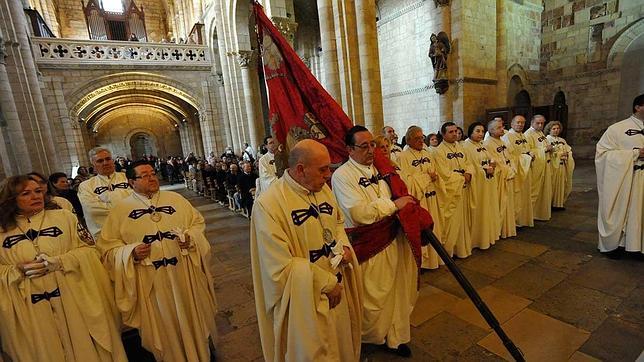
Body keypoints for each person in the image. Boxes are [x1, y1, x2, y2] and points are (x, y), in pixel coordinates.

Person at [250, 139, 362, 361]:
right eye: (322, 170)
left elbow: (337, 223)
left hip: (337, 287)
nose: (328, 175)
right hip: (305, 299)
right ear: (301, 169)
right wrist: (326, 284)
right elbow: (278, 266)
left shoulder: (322, 190)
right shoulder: (268, 204)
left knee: (340, 346)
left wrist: (343, 248)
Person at [98, 160, 218, 361]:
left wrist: (190, 238)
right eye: (144, 175)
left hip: (183, 274)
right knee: (164, 327)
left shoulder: (176, 199)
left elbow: (197, 224)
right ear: (131, 182)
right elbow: (107, 249)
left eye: (152, 173)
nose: (151, 177)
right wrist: (130, 253)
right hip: (152, 281)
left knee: (192, 320)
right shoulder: (120, 210)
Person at [0, 175, 127, 361]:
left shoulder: (64, 217)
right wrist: (16, 270)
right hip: (30, 309)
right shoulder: (2, 231)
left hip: (72, 299)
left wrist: (60, 262)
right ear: (11, 199)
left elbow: (91, 251)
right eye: (26, 193)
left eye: (38, 191)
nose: (36, 196)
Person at [332, 126, 417, 357]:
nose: (371, 150)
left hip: (392, 238)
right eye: (364, 146)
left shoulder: (381, 168)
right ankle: (366, 340)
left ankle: (395, 337)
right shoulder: (342, 176)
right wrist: (393, 206)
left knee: (396, 291)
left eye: (373, 145)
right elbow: (359, 213)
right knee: (373, 297)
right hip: (370, 245)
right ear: (349, 149)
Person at [595, 94, 643, 257]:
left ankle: (638, 246)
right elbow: (602, 154)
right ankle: (617, 244)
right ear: (638, 107)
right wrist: (634, 154)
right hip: (625, 178)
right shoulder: (617, 129)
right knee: (623, 210)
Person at [398, 126, 444, 269]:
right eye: (417, 138)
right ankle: (423, 264)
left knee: (435, 227)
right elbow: (406, 180)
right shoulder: (403, 157)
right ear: (409, 139)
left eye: (422, 137)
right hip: (420, 199)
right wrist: (425, 178)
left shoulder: (428, 153)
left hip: (432, 196)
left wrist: (435, 177)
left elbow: (435, 171)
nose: (421, 141)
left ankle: (435, 260)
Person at [433, 122, 473, 258]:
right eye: (451, 132)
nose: (455, 134)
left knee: (463, 221)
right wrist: (462, 178)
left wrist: (468, 173)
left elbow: (468, 163)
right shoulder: (439, 151)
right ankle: (449, 251)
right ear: (443, 134)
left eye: (456, 131)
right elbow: (444, 173)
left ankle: (461, 249)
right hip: (452, 192)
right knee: (452, 222)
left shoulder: (461, 148)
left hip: (463, 189)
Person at [78, 147, 131, 237]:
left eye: (108, 159)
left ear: (113, 160)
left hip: (132, 227)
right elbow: (92, 210)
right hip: (104, 233)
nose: (105, 163)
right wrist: (124, 200)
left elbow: (140, 199)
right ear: (93, 164)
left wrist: (106, 198)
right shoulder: (86, 186)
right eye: (100, 161)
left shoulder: (129, 178)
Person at [463, 122, 500, 249]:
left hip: (487, 183)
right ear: (470, 132)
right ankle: (477, 240)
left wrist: (492, 164)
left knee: (488, 208)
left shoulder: (483, 144)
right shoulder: (466, 146)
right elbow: (469, 165)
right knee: (479, 210)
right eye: (477, 131)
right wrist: (483, 170)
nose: (480, 133)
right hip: (477, 185)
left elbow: (491, 158)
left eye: (482, 131)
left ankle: (487, 236)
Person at [484, 119, 517, 239]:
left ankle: (507, 229)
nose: (502, 129)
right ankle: (499, 230)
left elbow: (509, 157)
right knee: (500, 203)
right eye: (499, 128)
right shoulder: (487, 144)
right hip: (500, 178)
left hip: (508, 175)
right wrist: (506, 170)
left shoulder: (502, 141)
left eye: (502, 127)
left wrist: (512, 168)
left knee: (508, 203)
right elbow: (494, 162)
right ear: (491, 130)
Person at [502, 115, 534, 228]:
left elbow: (528, 149)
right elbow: (509, 156)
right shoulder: (507, 137)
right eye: (518, 122)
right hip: (517, 170)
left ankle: (523, 219)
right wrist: (525, 157)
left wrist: (530, 155)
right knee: (516, 196)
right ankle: (515, 221)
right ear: (511, 124)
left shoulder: (523, 136)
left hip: (525, 169)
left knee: (525, 194)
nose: (520, 125)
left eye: (522, 123)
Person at [525, 115, 554, 221]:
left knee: (544, 189)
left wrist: (549, 148)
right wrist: (544, 150)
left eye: (542, 123)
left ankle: (540, 212)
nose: (540, 125)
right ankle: (531, 214)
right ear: (532, 122)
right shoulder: (528, 134)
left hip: (544, 164)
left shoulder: (540, 133)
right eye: (538, 123)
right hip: (536, 166)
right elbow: (529, 151)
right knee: (534, 190)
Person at [545, 121, 575, 209]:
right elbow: (548, 153)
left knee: (562, 184)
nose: (556, 130)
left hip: (562, 166)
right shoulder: (547, 139)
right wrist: (558, 155)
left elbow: (568, 149)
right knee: (553, 184)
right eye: (554, 129)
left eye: (558, 128)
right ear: (549, 129)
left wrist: (567, 154)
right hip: (553, 166)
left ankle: (559, 203)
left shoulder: (562, 140)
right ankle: (551, 204)